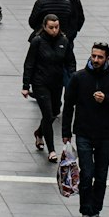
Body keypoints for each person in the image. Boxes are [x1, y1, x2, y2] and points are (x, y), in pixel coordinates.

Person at [61, 42, 109, 217]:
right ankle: (85, 210)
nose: (96, 60)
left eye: (100, 57)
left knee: (101, 175)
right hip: (84, 132)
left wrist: (106, 99)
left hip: (105, 134)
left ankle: (96, 209)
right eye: (94, 56)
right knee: (87, 172)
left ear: (107, 58)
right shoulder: (78, 78)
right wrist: (66, 133)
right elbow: (68, 106)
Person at [22, 12, 70, 160]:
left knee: (55, 112)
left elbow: (70, 61)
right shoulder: (37, 41)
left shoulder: (64, 41)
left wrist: (72, 78)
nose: (54, 30)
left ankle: (39, 133)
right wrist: (26, 85)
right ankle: (52, 151)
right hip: (40, 83)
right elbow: (29, 63)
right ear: (44, 27)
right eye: (51, 27)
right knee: (47, 114)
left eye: (56, 27)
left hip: (57, 83)